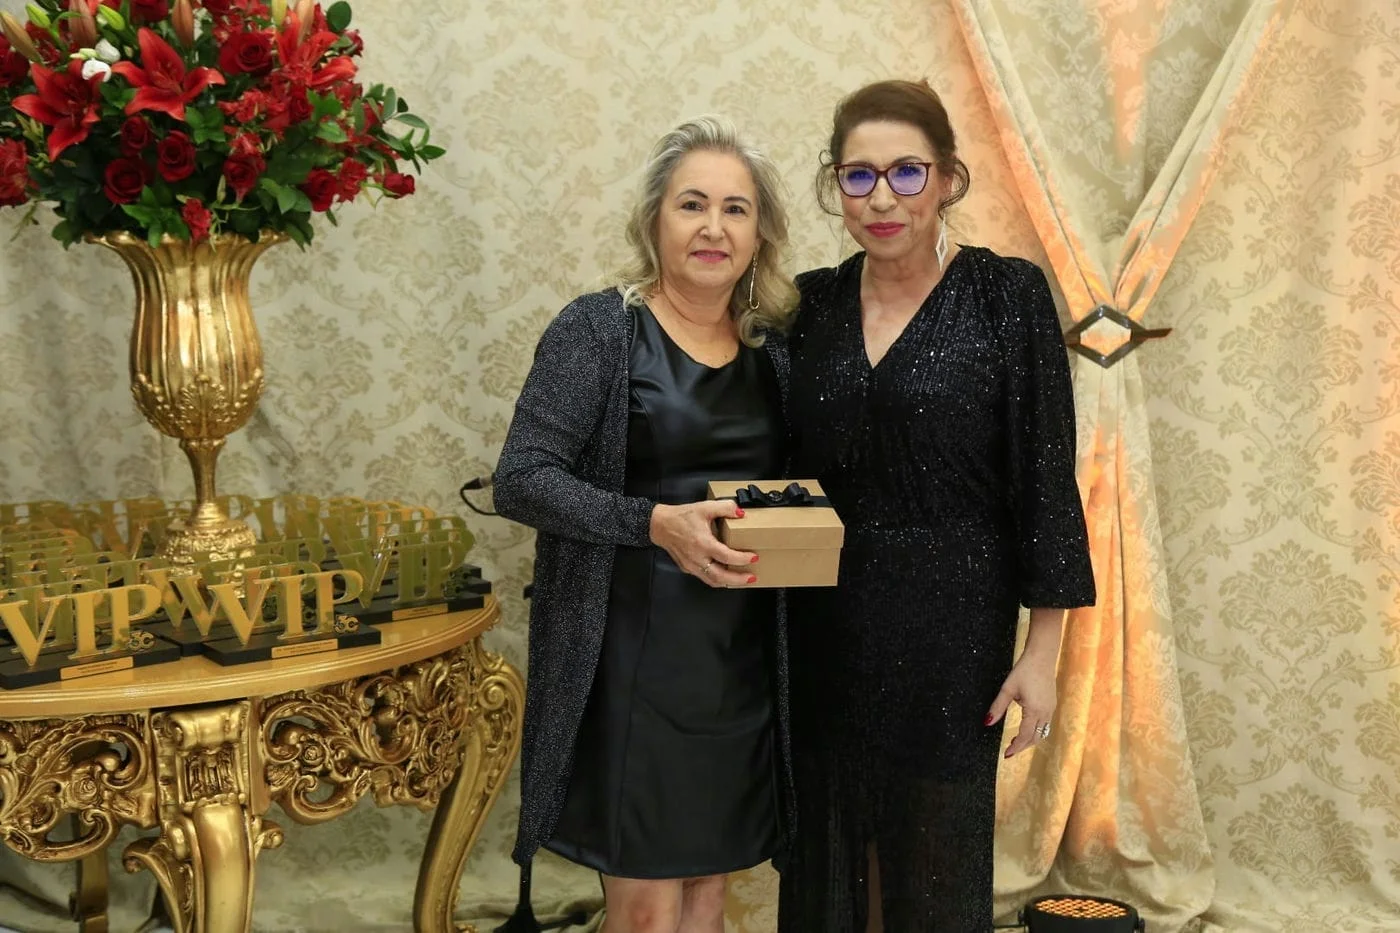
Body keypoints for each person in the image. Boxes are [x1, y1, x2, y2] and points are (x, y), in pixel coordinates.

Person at [779, 80, 1098, 932]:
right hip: (823, 624)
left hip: (954, 627)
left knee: (933, 851)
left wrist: (1041, 654)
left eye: (906, 172)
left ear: (949, 178)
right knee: (830, 846)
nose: (882, 198)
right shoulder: (807, 306)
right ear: (836, 186)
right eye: (859, 176)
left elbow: (1045, 478)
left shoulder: (1006, 295)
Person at [493, 116, 799, 933]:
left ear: (760, 234)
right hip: (630, 665)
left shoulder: (774, 351)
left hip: (739, 667)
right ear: (653, 220)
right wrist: (654, 522)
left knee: (707, 898)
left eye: (735, 209)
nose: (713, 227)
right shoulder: (599, 329)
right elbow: (520, 478)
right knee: (646, 911)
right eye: (691, 204)